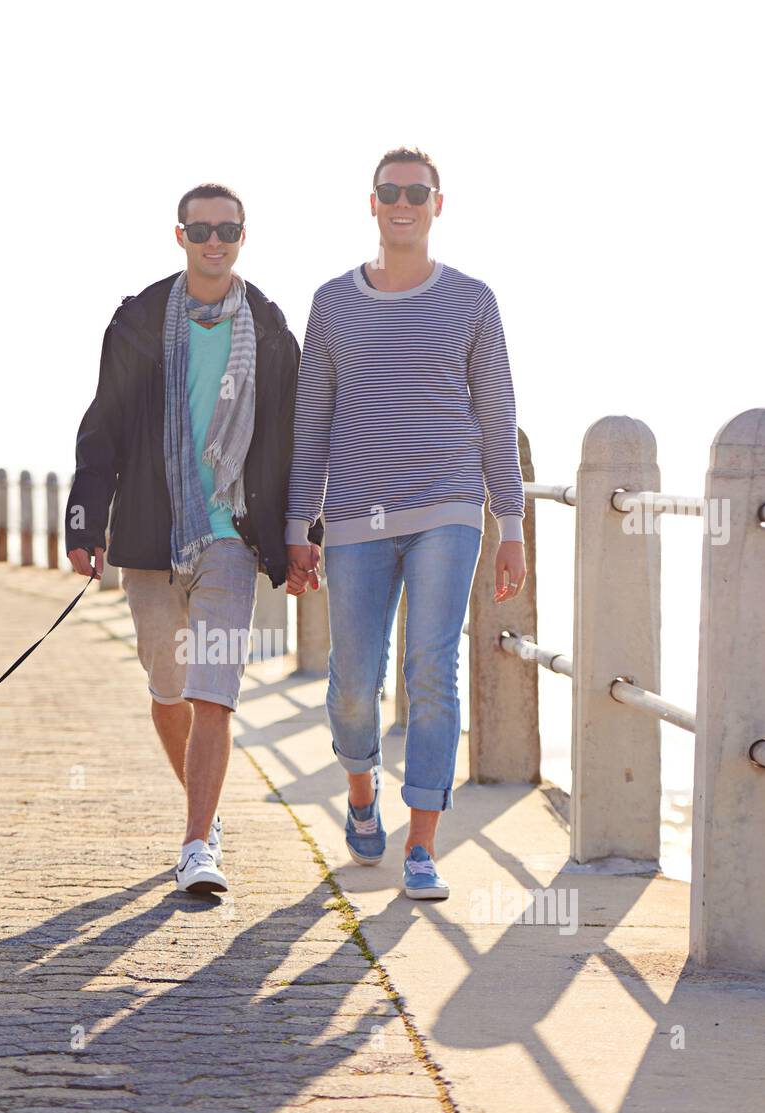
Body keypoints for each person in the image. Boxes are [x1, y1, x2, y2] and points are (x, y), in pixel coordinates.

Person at [285, 146, 528, 900]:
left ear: (436, 204)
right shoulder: (331, 303)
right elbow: (311, 421)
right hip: (355, 514)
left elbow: (496, 415)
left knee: (431, 668)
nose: (402, 202)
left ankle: (422, 842)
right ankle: (362, 794)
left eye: (415, 192)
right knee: (352, 682)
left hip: (448, 510)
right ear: (371, 202)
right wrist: (301, 524)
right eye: (389, 190)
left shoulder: (472, 301)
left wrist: (509, 522)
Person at [67, 182, 315, 894]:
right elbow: (102, 428)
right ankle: (200, 810)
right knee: (168, 687)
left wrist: (304, 536)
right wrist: (85, 520)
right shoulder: (138, 322)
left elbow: (294, 442)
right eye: (201, 230)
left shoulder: (270, 331)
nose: (215, 242)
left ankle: (198, 844)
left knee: (214, 693)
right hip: (149, 532)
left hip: (232, 535)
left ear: (244, 235)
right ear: (178, 235)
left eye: (227, 230)